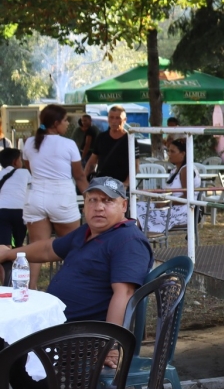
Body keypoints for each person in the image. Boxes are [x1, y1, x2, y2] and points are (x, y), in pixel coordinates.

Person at [0, 177, 153, 389]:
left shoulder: (127, 240)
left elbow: (124, 293)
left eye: (107, 201)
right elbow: (48, 248)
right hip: (59, 327)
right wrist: (9, 253)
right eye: (93, 200)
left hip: (84, 335)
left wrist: (111, 344)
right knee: (8, 343)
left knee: (10, 348)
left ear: (123, 205)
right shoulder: (87, 233)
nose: (99, 207)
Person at [21, 104, 89, 287]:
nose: (68, 124)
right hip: (62, 196)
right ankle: (71, 287)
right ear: (56, 123)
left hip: (35, 196)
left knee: (36, 246)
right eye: (65, 120)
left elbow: (29, 168)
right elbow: (80, 176)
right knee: (73, 246)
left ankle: (31, 289)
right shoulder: (68, 144)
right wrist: (90, 198)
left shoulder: (29, 143)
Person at [137, 138, 193, 235]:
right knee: (138, 206)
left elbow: (187, 197)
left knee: (140, 211)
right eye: (168, 151)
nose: (169, 154)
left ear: (183, 154)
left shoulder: (186, 170)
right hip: (172, 206)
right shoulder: (175, 170)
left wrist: (166, 203)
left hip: (182, 211)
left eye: (172, 151)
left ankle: (143, 237)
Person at [86, 105, 131, 186]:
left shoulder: (130, 139)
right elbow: (92, 162)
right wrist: (84, 182)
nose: (114, 121)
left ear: (124, 120)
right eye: (111, 117)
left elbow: (135, 166)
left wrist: (126, 183)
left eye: (118, 118)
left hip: (121, 184)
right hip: (102, 183)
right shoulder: (101, 137)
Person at [0, 148, 30, 248]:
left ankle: (5, 257)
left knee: (4, 244)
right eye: (20, 159)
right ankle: (18, 256)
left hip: (2, 211)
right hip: (20, 211)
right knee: (19, 244)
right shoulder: (25, 173)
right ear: (15, 162)